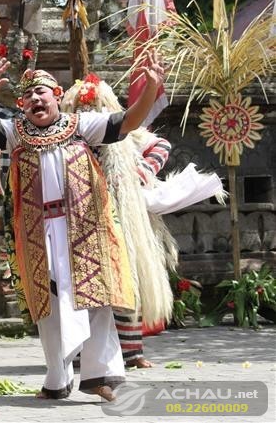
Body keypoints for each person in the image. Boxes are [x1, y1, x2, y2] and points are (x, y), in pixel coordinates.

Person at [0, 55, 166, 401]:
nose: (35, 100)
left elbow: (129, 121)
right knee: (48, 305)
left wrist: (150, 88)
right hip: (37, 231)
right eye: (27, 97)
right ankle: (56, 380)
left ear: (57, 94)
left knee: (97, 300)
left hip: (84, 228)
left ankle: (100, 376)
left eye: (41, 93)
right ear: (21, 106)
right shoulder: (16, 132)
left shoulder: (81, 125)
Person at [61, 74, 225, 369]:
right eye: (81, 107)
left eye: (96, 104)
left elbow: (160, 145)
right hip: (81, 217)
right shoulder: (66, 137)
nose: (89, 111)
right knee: (85, 285)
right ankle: (83, 352)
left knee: (128, 280)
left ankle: (132, 352)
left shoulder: (125, 131)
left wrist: (143, 170)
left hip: (123, 216)